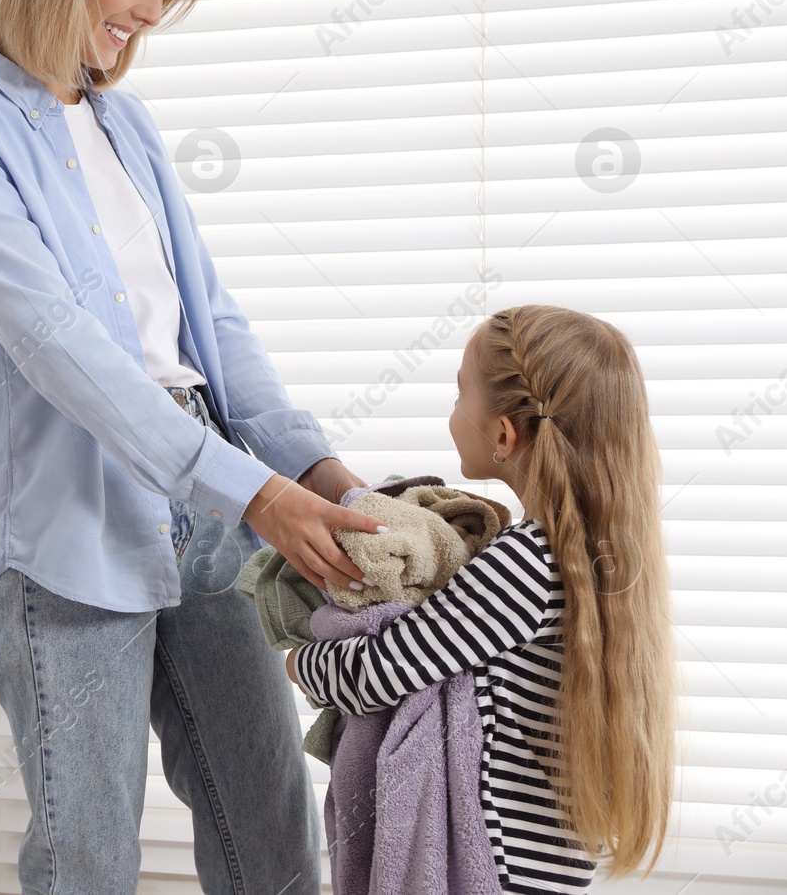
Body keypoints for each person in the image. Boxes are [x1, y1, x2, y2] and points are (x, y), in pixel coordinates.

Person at [0, 0, 388, 893]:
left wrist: (320, 476)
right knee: (89, 859)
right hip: (65, 537)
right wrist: (252, 491)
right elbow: (57, 347)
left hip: (207, 513)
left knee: (273, 837)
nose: (151, 11)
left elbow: (208, 325)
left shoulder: (126, 125)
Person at [289, 305, 677, 893]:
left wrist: (300, 662)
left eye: (458, 393)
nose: (451, 411)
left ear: (503, 433)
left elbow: (379, 672)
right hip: (544, 864)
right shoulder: (597, 560)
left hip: (489, 865)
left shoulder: (527, 561)